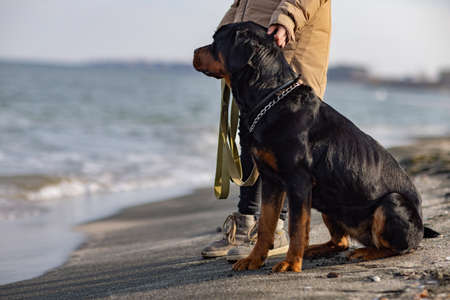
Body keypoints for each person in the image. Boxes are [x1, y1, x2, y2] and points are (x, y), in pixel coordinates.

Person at [202, 0, 331, 261]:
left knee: (286, 149)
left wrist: (286, 19)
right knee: (249, 132)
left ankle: (279, 227)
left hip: (288, 46)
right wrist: (222, 39)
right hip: (253, 53)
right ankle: (246, 221)